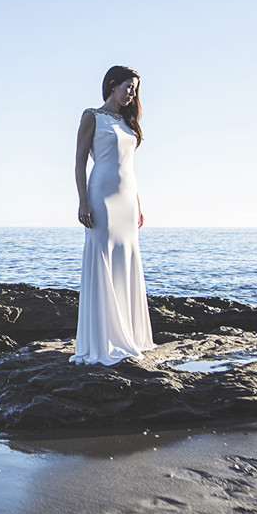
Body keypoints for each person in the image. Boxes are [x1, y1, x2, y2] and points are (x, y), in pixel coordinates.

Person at [71, 65, 155, 365]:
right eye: (128, 87)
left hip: (127, 201)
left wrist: (138, 203)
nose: (132, 93)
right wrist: (82, 201)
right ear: (112, 85)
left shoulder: (127, 121)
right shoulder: (92, 116)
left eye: (135, 89)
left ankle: (129, 334)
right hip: (100, 197)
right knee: (103, 257)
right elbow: (80, 163)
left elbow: (129, 167)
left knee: (125, 259)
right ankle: (102, 338)